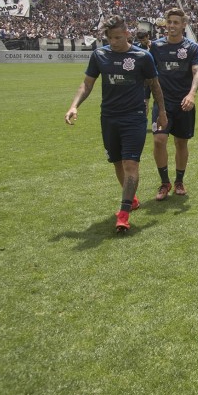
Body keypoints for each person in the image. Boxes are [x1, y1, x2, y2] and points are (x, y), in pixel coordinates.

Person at [64, 15, 167, 232]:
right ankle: (132, 200)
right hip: (109, 117)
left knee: (131, 164)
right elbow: (87, 84)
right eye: (110, 38)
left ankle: (124, 213)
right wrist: (74, 106)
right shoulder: (100, 55)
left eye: (118, 37)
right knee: (118, 163)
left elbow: (155, 86)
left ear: (127, 34)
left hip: (134, 117)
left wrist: (162, 112)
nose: (114, 42)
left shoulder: (142, 56)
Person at [149, 7, 198, 200]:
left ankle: (179, 180)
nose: (171, 26)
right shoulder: (156, 47)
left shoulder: (192, 48)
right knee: (159, 140)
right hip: (162, 103)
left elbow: (197, 72)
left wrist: (192, 94)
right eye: (169, 22)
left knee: (181, 143)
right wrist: (146, 99)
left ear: (183, 25)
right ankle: (164, 182)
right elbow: (149, 76)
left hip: (184, 103)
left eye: (175, 23)